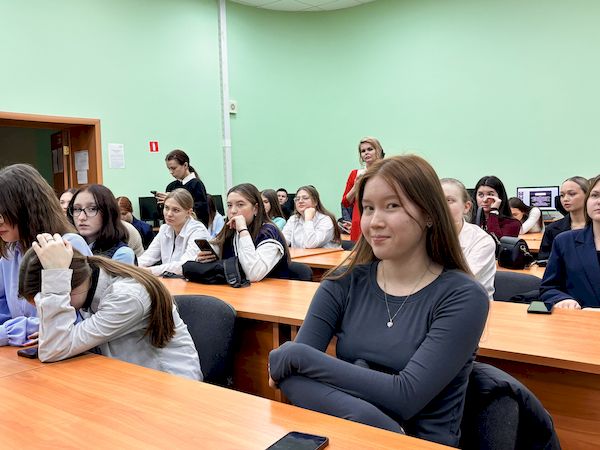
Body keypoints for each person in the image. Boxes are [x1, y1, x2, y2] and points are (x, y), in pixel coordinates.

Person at [268, 155, 489, 447]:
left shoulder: (464, 296)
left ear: (429, 214)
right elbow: (288, 377)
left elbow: (406, 397)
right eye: (369, 208)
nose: (375, 222)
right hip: (346, 437)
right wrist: (373, 420)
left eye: (392, 206)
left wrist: (299, 356)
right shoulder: (343, 283)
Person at [18, 233, 202, 381]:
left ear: (67, 288)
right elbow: (57, 345)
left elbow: (53, 350)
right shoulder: (93, 284)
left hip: (171, 387)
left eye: (46, 300)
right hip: (132, 381)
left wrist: (57, 278)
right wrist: (56, 333)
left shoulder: (126, 297)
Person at [0, 164, 91, 347]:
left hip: (72, 353)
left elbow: (77, 319)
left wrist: (14, 331)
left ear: (26, 208)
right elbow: (3, 307)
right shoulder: (10, 252)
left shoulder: (68, 245)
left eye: (3, 212)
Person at [196, 183, 290, 282]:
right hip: (237, 288)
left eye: (240, 205)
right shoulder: (230, 231)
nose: (233, 211)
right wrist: (203, 259)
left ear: (255, 208)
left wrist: (243, 230)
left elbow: (253, 274)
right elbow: (217, 256)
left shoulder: (269, 232)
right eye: (229, 205)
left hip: (272, 290)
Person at [540, 175, 600, 309]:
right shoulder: (564, 241)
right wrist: (562, 299)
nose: (598, 201)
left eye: (572, 194)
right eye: (595, 195)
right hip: (576, 319)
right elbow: (549, 288)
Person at [441, 178, 496, 299]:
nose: (441, 206)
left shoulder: (482, 241)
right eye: (436, 200)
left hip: (469, 304)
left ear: (466, 207)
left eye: (449, 200)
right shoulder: (422, 237)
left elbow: (456, 285)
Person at [139, 189, 210, 276]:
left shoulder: (198, 231)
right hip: (170, 279)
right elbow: (148, 257)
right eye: (166, 208)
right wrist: (129, 267)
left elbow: (185, 265)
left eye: (176, 210)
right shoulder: (164, 229)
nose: (169, 214)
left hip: (192, 280)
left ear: (189, 212)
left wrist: (150, 271)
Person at [69, 185, 136, 265]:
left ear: (108, 212)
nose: (81, 217)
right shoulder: (69, 244)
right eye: (76, 209)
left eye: (92, 209)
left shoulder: (122, 254)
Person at [342, 137, 385, 241]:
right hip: (359, 222)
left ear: (378, 151)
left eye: (370, 149)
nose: (366, 153)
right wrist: (356, 187)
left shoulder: (387, 172)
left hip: (381, 219)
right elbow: (345, 202)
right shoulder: (355, 174)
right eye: (363, 151)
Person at [538, 176, 589, 260]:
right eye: (562, 195)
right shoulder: (552, 229)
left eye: (572, 194)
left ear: (588, 195)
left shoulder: (596, 226)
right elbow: (544, 260)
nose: (565, 199)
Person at [154, 149, 209, 227]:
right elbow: (164, 216)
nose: (171, 172)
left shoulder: (196, 184)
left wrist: (174, 201)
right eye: (169, 168)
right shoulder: (171, 186)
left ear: (185, 165)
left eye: (173, 168)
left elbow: (201, 213)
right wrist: (162, 204)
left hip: (190, 229)